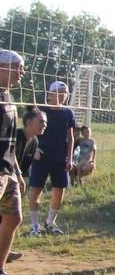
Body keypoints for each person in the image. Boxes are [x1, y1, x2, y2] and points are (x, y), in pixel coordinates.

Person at [28, 80, 76, 235]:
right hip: (41, 157)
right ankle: (34, 226)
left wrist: (70, 158)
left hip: (60, 158)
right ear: (50, 94)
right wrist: (34, 149)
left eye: (65, 93)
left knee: (59, 189)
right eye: (60, 92)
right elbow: (29, 132)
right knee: (36, 189)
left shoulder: (68, 113)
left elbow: (71, 137)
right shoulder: (40, 110)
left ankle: (50, 223)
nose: (63, 95)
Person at [0, 50, 29, 275]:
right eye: (18, 68)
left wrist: (17, 172)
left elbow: (10, 142)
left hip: (7, 169)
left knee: (13, 217)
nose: (22, 73)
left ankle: (0, 273)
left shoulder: (8, 97)